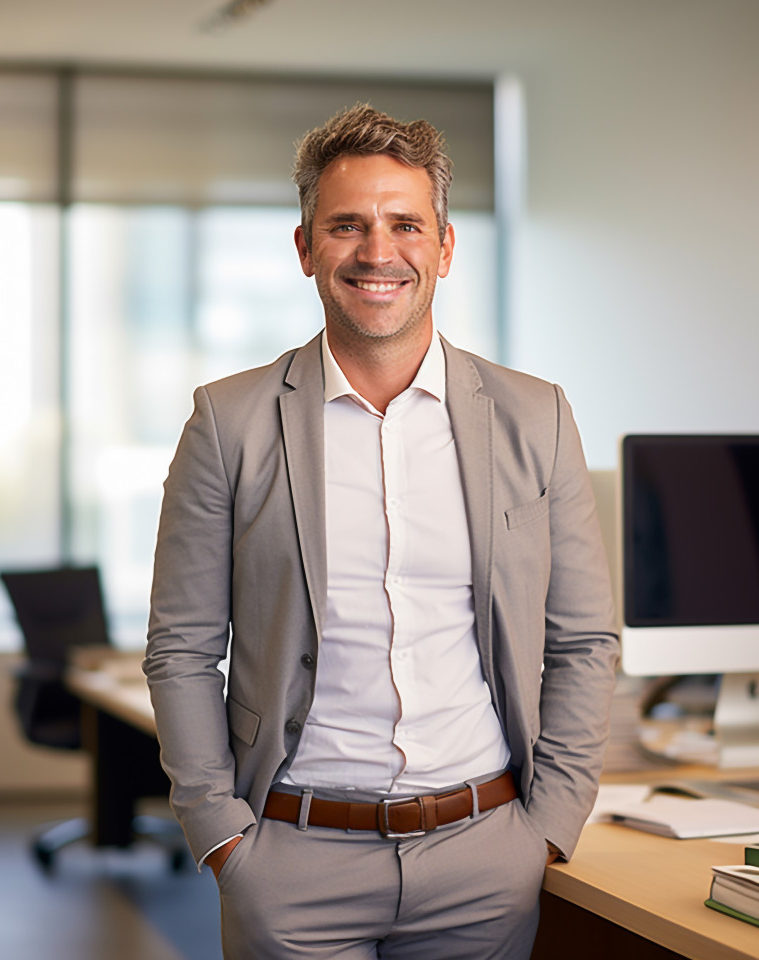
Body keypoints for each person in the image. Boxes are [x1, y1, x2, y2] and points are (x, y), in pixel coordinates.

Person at [144, 103, 619, 960]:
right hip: (290, 861)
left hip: (484, 856)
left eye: (405, 224)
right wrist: (219, 832)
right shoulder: (229, 420)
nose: (377, 252)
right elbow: (181, 647)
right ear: (304, 249)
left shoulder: (534, 416)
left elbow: (584, 637)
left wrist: (549, 823)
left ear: (443, 247)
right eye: (346, 226)